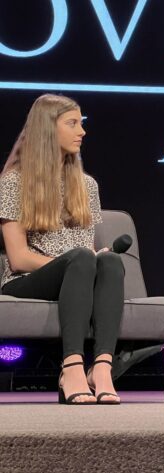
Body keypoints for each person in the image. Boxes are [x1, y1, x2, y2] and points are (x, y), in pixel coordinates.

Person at [0, 94, 124, 405]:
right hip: (27, 279)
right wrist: (74, 262)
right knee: (82, 259)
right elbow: (18, 258)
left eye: (81, 123)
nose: (82, 131)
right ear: (46, 130)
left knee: (109, 261)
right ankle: (71, 367)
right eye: (72, 124)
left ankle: (102, 369)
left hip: (76, 273)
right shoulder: (13, 183)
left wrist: (91, 259)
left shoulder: (87, 185)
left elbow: (86, 249)